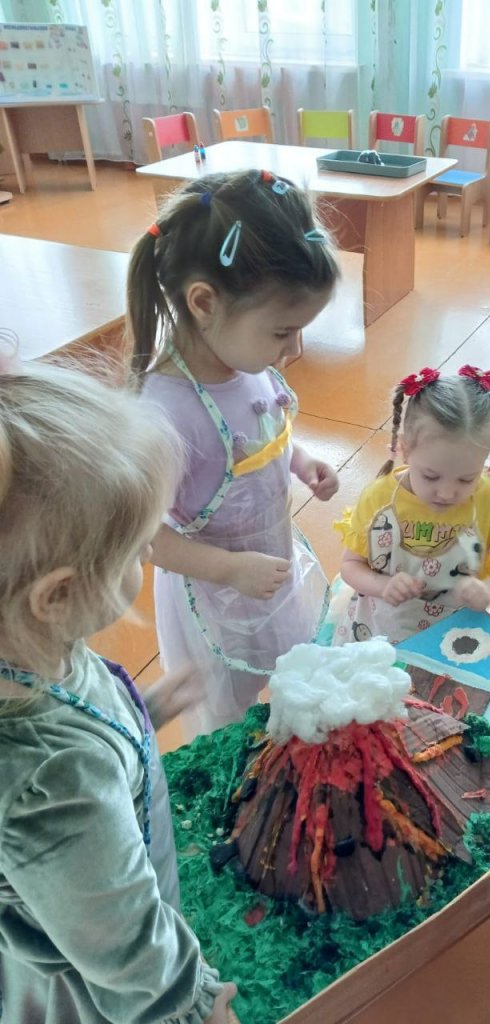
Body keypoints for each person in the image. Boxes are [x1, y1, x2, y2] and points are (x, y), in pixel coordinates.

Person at [0, 357, 236, 1023]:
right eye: (136, 550)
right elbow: (126, 948)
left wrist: (143, 714)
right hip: (89, 996)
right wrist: (195, 1006)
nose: (149, 557)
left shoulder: (32, 649)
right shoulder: (56, 782)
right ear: (57, 595)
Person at [127, 168, 340, 736]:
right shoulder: (165, 414)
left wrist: (300, 461)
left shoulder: (246, 362)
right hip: (213, 592)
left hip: (270, 567)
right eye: (281, 332)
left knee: (292, 675)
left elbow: (259, 433)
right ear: (204, 302)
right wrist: (229, 570)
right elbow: (146, 536)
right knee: (228, 718)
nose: (293, 349)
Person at [330, 364, 490, 645]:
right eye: (431, 476)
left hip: (456, 632)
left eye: (466, 479)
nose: (446, 493)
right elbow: (351, 565)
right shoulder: (379, 498)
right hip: (380, 627)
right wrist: (383, 585)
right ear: (404, 449)